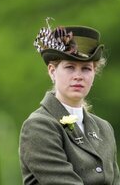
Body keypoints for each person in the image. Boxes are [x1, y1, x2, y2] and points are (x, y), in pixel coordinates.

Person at [19, 18, 120, 185]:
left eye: (86, 69)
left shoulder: (104, 128)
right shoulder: (39, 126)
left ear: (94, 74)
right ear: (52, 71)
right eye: (70, 67)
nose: (78, 76)